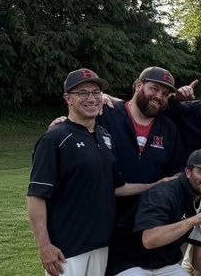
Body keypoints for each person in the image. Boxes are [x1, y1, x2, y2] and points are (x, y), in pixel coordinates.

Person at [28, 68, 125, 275]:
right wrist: (44, 246)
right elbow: (36, 196)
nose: (91, 98)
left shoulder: (105, 136)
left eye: (96, 92)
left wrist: (157, 184)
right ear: (68, 98)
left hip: (100, 244)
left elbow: (115, 188)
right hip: (66, 249)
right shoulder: (54, 138)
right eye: (83, 93)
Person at [101, 67, 187, 276]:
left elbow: (178, 172)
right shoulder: (106, 114)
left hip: (145, 222)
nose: (159, 96)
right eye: (154, 89)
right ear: (138, 85)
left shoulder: (168, 128)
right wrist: (62, 121)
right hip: (103, 218)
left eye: (165, 94)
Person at [124, 148, 201, 275]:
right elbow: (149, 240)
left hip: (165, 264)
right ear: (188, 172)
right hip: (131, 262)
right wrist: (195, 220)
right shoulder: (163, 193)